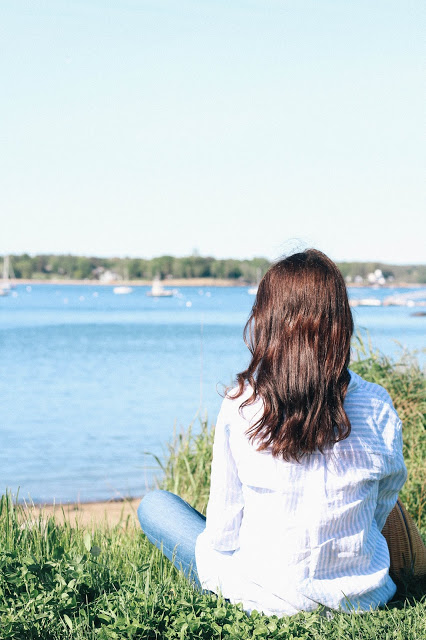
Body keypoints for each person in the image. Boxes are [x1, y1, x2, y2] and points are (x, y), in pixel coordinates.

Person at [137, 249, 407, 616]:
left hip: (265, 599)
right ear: (341, 323)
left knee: (155, 507)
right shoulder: (377, 406)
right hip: (362, 598)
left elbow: (223, 533)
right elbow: (381, 506)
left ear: (268, 321)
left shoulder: (242, 404)